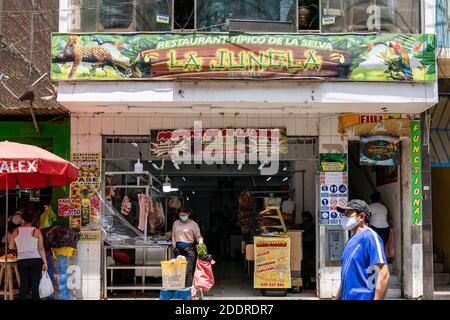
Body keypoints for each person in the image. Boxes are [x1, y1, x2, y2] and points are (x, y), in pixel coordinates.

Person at [335, 199, 390, 300]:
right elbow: (347, 273)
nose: (344, 217)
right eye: (344, 214)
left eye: (348, 214)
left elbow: (383, 273)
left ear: (361, 217)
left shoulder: (370, 237)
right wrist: (338, 296)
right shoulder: (351, 238)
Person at [9, 209, 48, 300]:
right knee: (35, 285)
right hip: (36, 260)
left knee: (24, 284)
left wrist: (20, 247)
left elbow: (11, 247)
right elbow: (41, 248)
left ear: (23, 219)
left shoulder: (16, 231)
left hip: (22, 261)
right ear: (33, 219)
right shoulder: (37, 231)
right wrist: (45, 262)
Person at [171, 204, 204, 287]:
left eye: (184, 215)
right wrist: (174, 247)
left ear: (188, 214)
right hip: (178, 249)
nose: (182, 216)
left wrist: (201, 245)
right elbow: (173, 236)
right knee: (178, 271)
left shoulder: (194, 224)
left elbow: (198, 237)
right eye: (180, 215)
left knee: (188, 272)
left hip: (189, 249)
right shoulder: (176, 223)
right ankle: (179, 289)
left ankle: (188, 292)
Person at [299, 211, 315, 289]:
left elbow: (303, 229)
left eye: (303, 216)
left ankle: (308, 281)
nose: (303, 218)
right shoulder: (308, 223)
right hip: (309, 243)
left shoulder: (308, 224)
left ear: (307, 217)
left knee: (307, 261)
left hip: (308, 243)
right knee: (308, 261)